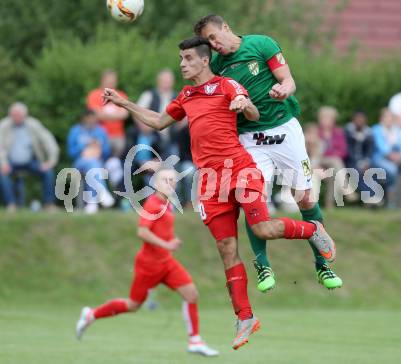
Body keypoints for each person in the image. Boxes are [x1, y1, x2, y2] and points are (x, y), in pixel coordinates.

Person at [103, 37, 336, 350]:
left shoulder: (227, 85)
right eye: (181, 58)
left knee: (262, 228)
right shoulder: (186, 95)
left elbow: (253, 116)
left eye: (187, 58)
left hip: (240, 169)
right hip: (210, 183)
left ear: (203, 60)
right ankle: (245, 317)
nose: (182, 64)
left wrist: (246, 104)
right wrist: (124, 103)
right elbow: (158, 122)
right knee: (227, 247)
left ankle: (312, 229)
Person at [194, 14, 342, 292]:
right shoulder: (216, 67)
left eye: (214, 37)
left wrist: (283, 90)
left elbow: (288, 80)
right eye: (209, 42)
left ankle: (323, 266)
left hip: (284, 130)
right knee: (254, 201)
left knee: (306, 199)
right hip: (250, 138)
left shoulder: (262, 44)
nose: (214, 45)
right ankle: (263, 265)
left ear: (226, 27)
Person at [75, 168, 219, 357]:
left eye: (172, 180)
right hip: (149, 265)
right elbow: (142, 232)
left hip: (166, 262)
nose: (170, 183)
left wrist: (169, 242)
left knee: (191, 294)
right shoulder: (152, 204)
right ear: (155, 184)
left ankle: (195, 341)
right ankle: (90, 315)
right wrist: (166, 244)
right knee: (133, 305)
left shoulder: (167, 202)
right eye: (165, 180)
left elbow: (161, 229)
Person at [0, 102, 59, 212]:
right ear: (10, 115)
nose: (16, 118)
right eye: (14, 115)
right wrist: (3, 164)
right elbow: (1, 148)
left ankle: (48, 204)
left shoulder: (34, 125)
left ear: (25, 115)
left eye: (19, 115)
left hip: (31, 162)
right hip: (10, 163)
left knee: (48, 172)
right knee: (2, 174)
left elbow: (49, 142)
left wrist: (51, 161)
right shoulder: (3, 126)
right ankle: (11, 204)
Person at [67, 109, 115, 214]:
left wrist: (99, 147)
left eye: (94, 119)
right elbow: (71, 152)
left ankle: (92, 203)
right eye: (90, 119)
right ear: (84, 119)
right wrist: (84, 146)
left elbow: (107, 152)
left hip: (98, 161)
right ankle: (102, 192)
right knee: (92, 164)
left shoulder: (101, 131)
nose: (92, 121)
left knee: (94, 165)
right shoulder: (75, 131)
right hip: (80, 162)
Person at [137, 69, 179, 159]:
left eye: (169, 81)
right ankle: (146, 169)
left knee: (174, 153)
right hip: (151, 134)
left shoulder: (177, 98)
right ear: (158, 81)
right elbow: (137, 111)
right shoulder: (149, 94)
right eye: (164, 81)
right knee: (143, 143)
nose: (167, 84)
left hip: (171, 137)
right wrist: (143, 126)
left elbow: (184, 119)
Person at [87, 69, 129, 158]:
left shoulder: (121, 95)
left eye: (113, 81)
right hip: (99, 135)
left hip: (118, 136)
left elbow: (125, 115)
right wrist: (117, 115)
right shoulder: (94, 95)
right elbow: (96, 115)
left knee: (116, 161)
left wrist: (104, 115)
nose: (111, 84)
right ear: (102, 81)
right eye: (108, 81)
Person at [371, 108, 401, 206]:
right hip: (379, 159)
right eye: (387, 117)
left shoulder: (397, 131)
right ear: (382, 118)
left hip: (395, 159)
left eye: (391, 117)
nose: (389, 119)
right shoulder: (376, 129)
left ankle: (399, 199)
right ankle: (391, 200)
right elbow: (381, 148)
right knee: (393, 169)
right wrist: (394, 157)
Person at [317, 106, 348, 208]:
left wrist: (332, 154)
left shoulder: (338, 133)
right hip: (318, 162)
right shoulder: (316, 132)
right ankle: (346, 188)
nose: (326, 120)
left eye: (329, 118)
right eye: (324, 118)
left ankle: (329, 204)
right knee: (336, 161)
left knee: (333, 172)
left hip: (332, 163)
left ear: (333, 120)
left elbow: (343, 151)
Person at [344, 110, 373, 199]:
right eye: (357, 118)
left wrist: (366, 162)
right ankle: (370, 197)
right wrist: (359, 163)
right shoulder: (348, 131)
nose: (359, 120)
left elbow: (369, 150)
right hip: (350, 161)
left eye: (362, 118)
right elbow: (348, 150)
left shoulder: (368, 133)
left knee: (372, 171)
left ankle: (373, 196)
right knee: (358, 172)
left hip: (364, 161)